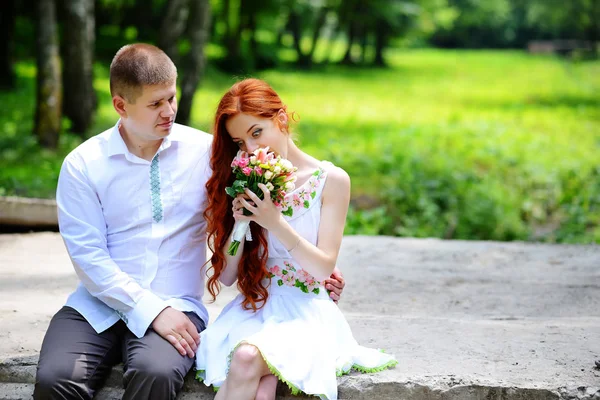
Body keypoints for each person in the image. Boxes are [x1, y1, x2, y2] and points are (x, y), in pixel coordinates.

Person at [33, 43, 346, 400]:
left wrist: (315, 270)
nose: (169, 112)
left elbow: (270, 212)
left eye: (171, 98)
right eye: (155, 104)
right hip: (96, 305)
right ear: (121, 105)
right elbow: (88, 259)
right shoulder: (83, 165)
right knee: (56, 378)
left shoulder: (208, 154)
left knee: (156, 373)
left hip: (178, 303)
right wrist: (151, 310)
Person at [195, 78, 397, 400]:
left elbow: (322, 268)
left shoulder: (331, 181)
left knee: (247, 358)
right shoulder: (247, 180)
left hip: (307, 311)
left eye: (256, 132)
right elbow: (228, 276)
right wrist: (240, 224)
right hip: (257, 309)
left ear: (282, 119)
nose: (250, 149)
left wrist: (274, 223)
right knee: (261, 392)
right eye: (239, 141)